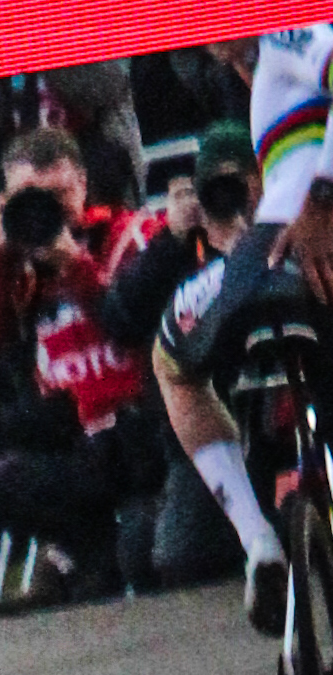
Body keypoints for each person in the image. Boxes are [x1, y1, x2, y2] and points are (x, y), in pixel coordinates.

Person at [151, 28, 333, 636]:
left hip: (291, 240)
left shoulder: (291, 29)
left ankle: (257, 540)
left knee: (172, 363)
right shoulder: (257, 64)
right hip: (281, 251)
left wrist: (319, 198)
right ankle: (263, 540)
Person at [0, 126, 165, 594]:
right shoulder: (15, 264)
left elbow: (132, 321)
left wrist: (76, 265)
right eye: (30, 199)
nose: (45, 210)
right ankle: (86, 554)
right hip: (74, 443)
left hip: (141, 435)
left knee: (143, 556)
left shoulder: (133, 235)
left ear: (83, 185)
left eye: (57, 195)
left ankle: (103, 555)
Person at [102, 123, 259, 589]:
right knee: (174, 557)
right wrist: (171, 241)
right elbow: (118, 319)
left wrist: (252, 238)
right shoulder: (182, 255)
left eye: (239, 183)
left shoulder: (292, 223)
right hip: (209, 422)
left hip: (280, 407)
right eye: (217, 187)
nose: (229, 199)